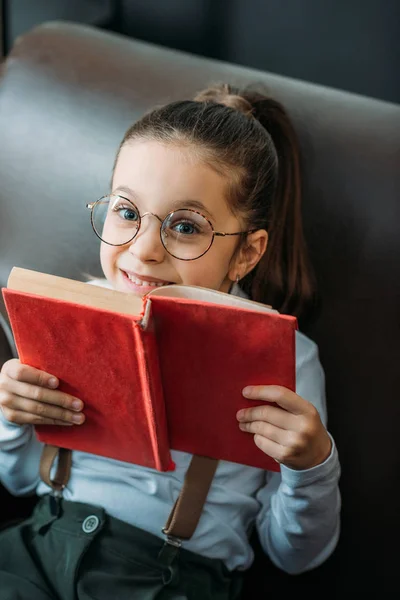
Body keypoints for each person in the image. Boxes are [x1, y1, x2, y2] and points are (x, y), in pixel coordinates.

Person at [0, 83, 341, 599]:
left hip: (164, 577)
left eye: (184, 227)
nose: (143, 252)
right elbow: (22, 482)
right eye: (127, 213)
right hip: (35, 547)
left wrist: (312, 465)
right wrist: (11, 417)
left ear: (247, 254)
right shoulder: (73, 315)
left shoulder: (288, 358)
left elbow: (294, 555)